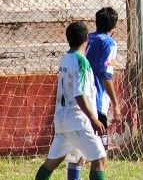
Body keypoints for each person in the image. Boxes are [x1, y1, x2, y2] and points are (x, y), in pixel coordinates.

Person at [35, 22, 108, 180]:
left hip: (62, 121)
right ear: (86, 39)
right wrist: (93, 119)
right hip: (78, 121)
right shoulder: (81, 61)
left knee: (51, 164)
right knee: (99, 159)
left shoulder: (65, 59)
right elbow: (79, 94)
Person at [66, 8, 122, 180]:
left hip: (77, 102)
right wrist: (116, 103)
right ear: (115, 26)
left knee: (78, 154)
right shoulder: (110, 44)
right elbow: (106, 75)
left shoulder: (85, 39)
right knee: (100, 157)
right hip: (96, 104)